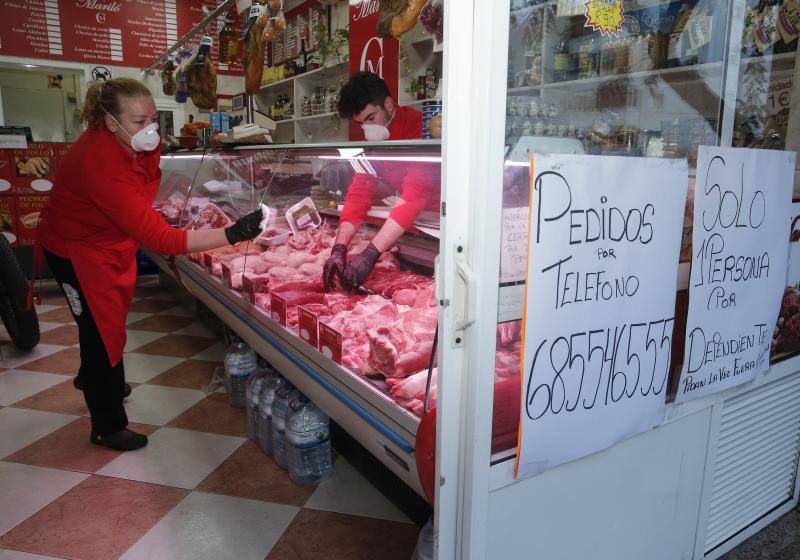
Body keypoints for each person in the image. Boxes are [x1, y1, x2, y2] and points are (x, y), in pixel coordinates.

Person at [35, 78, 265, 452]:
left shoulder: (118, 140)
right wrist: (232, 233)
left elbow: (146, 177)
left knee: (103, 325)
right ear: (111, 122)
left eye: (154, 120)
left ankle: (100, 379)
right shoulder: (101, 163)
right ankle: (107, 424)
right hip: (78, 254)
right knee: (98, 330)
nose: (151, 129)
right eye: (140, 122)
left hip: (104, 244)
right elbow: (162, 241)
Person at [324, 71, 439, 292]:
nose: (367, 130)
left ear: (388, 104)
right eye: (360, 124)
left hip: (443, 223)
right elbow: (359, 190)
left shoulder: (420, 128)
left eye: (370, 118)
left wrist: (370, 254)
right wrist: (339, 248)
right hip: (413, 223)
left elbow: (415, 196)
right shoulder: (375, 139)